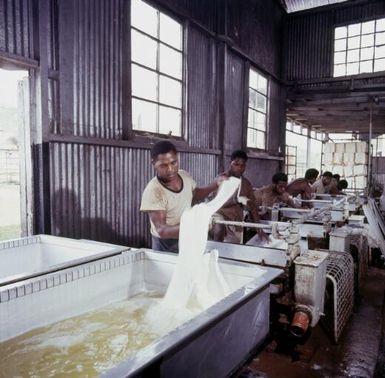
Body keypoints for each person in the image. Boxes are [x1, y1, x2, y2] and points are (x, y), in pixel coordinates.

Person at [140, 141, 224, 253]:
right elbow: (162, 230)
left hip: (186, 238)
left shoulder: (184, 175)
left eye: (173, 163)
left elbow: (195, 194)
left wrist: (214, 184)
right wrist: (195, 225)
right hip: (166, 245)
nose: (170, 169)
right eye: (163, 165)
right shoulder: (154, 191)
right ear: (153, 163)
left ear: (177, 158)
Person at [212, 150, 266, 243]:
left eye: (242, 165)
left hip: (235, 222)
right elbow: (215, 203)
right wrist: (236, 200)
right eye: (236, 164)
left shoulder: (246, 184)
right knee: (219, 228)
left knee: (233, 250)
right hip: (219, 215)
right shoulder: (221, 179)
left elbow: (253, 208)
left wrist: (259, 230)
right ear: (230, 163)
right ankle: (215, 248)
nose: (239, 168)